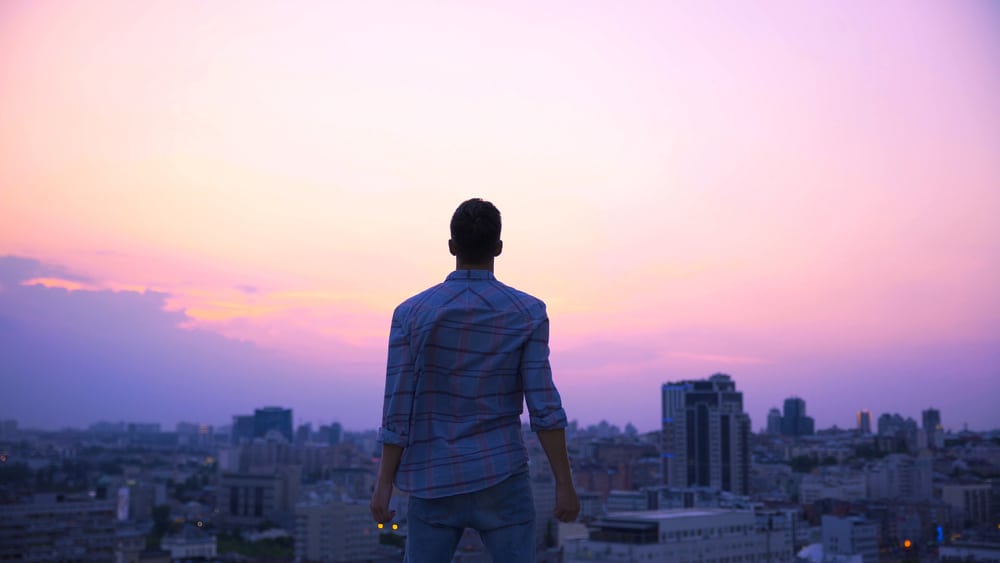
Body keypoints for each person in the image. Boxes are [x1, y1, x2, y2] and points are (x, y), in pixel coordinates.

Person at [370, 198, 579, 563]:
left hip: (432, 478)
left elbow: (398, 405)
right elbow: (544, 407)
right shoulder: (527, 313)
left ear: (452, 247)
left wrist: (383, 484)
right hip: (501, 476)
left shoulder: (411, 314)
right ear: (498, 248)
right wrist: (565, 484)